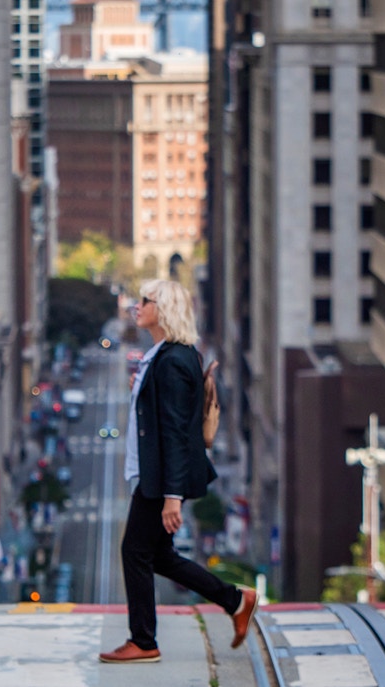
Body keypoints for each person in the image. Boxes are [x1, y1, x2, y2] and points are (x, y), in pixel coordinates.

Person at [99, 279, 258, 664]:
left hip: (162, 478)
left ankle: (144, 641)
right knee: (159, 555)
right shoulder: (169, 353)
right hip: (160, 474)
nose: (136, 307)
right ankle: (236, 599)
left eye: (144, 301)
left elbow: (173, 431)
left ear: (163, 310)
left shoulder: (171, 361)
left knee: (134, 551)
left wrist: (172, 496)